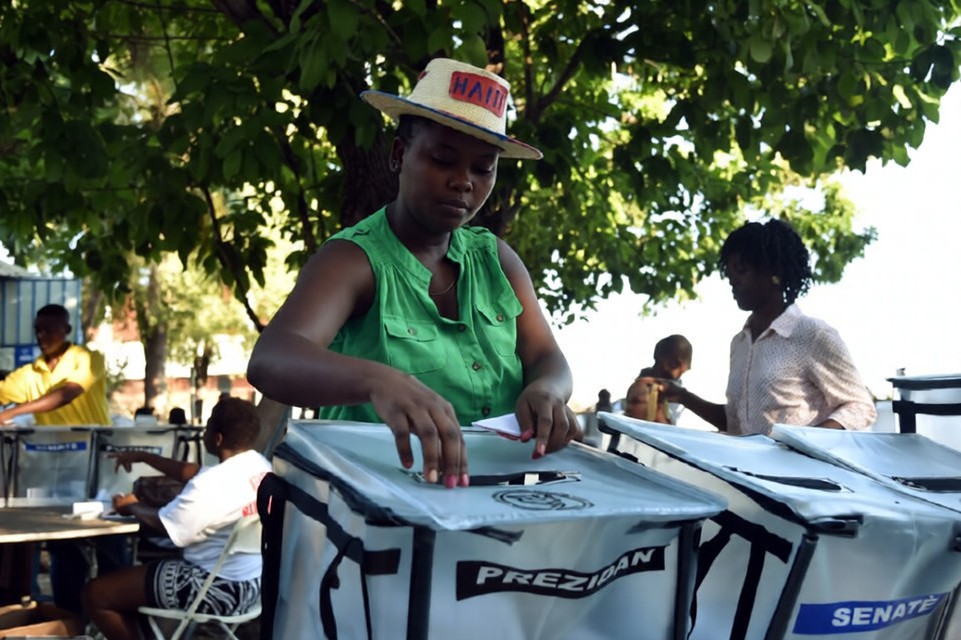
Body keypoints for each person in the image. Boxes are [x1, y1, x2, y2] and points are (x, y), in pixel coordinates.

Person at [247, 58, 580, 489]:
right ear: (399, 155)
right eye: (443, 159)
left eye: (483, 168)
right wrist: (377, 381)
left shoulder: (496, 259)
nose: (463, 181)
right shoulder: (353, 259)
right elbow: (271, 359)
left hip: (498, 501)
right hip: (378, 505)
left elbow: (546, 358)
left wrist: (547, 390)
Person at [658, 219, 877, 435]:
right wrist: (682, 396)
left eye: (741, 270)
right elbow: (737, 425)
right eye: (730, 274)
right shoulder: (739, 343)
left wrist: (802, 443)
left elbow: (860, 407)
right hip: (743, 460)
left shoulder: (813, 334)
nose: (733, 281)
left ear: (775, 272)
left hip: (799, 460)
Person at [82, 397, 271, 640]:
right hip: (253, 586)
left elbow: (167, 525)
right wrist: (143, 456)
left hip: (215, 589)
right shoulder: (259, 466)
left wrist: (131, 506)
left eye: (208, 426)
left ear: (217, 439)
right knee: (129, 582)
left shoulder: (211, 485)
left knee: (96, 593)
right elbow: (193, 472)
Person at [0, 304, 121, 614]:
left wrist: (12, 412)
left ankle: (117, 614)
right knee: (63, 544)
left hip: (99, 466)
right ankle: (69, 618)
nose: (42, 336)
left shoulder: (88, 359)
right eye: (37, 330)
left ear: (66, 330)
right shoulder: (29, 374)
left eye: (49, 330)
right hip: (58, 469)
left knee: (109, 539)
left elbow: (68, 393)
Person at [624, 335, 692, 424]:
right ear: (673, 364)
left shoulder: (676, 394)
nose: (680, 376)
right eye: (681, 371)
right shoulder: (644, 387)